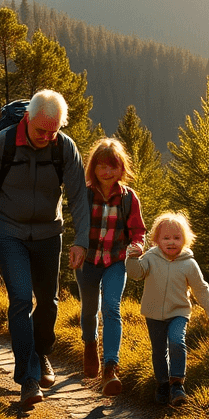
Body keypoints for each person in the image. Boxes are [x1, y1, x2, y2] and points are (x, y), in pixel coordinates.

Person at [0, 89, 91, 407]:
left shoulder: (64, 148)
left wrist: (82, 240)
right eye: (41, 130)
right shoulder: (4, 143)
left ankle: (41, 353)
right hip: (9, 233)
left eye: (53, 131)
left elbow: (79, 195)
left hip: (49, 234)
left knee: (48, 303)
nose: (46, 137)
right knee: (21, 300)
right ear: (27, 119)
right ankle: (28, 377)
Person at [71, 137, 147, 395]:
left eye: (112, 166)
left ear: (121, 168)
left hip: (116, 260)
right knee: (90, 308)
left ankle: (110, 368)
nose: (107, 172)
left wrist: (137, 245)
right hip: (88, 260)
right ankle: (90, 344)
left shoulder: (128, 198)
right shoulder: (85, 193)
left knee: (112, 308)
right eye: (101, 166)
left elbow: (138, 230)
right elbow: (77, 223)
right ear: (93, 169)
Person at [125, 212, 209, 406]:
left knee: (177, 342)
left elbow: (201, 288)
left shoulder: (189, 263)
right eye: (166, 238)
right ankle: (162, 383)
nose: (171, 242)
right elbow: (136, 274)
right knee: (159, 351)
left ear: (185, 240)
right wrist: (132, 258)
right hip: (153, 313)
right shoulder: (150, 257)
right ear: (156, 240)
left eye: (177, 238)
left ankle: (177, 384)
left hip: (179, 312)